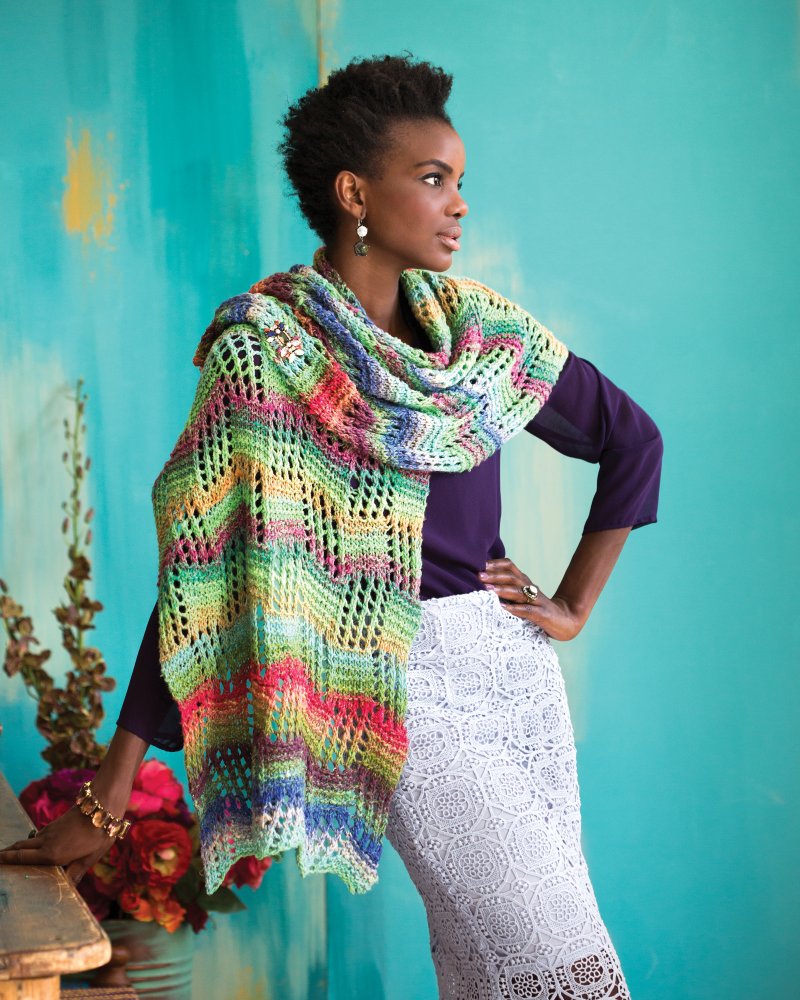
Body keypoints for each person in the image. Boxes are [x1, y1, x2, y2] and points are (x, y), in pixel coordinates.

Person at [1, 55, 662, 999]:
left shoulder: (480, 338)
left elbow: (634, 440)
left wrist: (571, 605)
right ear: (355, 193)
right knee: (564, 969)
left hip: (514, 682)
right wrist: (111, 794)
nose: (458, 203)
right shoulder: (265, 357)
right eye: (432, 178)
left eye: (459, 180)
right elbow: (203, 585)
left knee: (488, 974)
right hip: (396, 688)